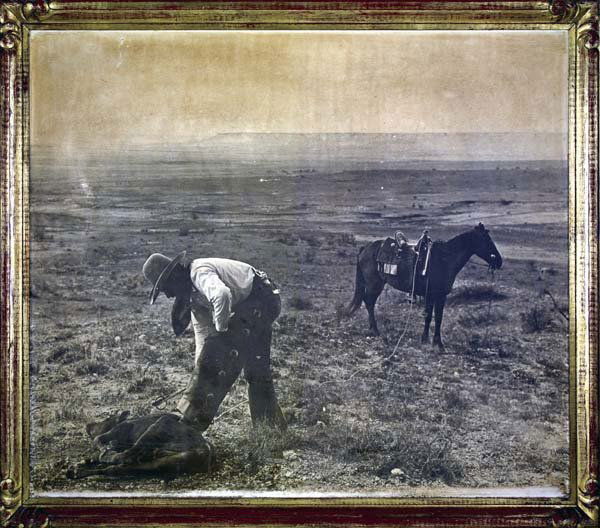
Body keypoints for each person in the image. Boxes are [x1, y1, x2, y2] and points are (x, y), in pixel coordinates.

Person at [142, 251, 286, 432]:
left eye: (165, 287)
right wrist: (198, 368)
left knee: (220, 351)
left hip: (261, 299)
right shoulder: (194, 299)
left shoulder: (198, 272)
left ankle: (189, 426)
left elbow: (222, 295)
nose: (169, 295)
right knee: (256, 370)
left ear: (175, 277)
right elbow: (203, 335)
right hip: (262, 302)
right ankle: (271, 430)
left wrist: (222, 332)